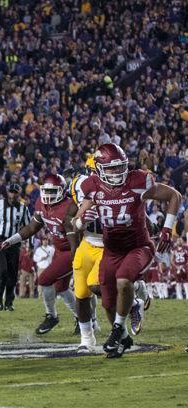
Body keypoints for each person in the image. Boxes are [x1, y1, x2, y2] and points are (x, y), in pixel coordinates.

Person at [72, 143, 181, 358]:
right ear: (100, 168)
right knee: (107, 302)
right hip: (111, 250)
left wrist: (168, 228)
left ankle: (115, 331)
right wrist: (81, 222)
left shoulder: (138, 181)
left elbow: (174, 196)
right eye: (111, 168)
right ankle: (123, 338)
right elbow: (76, 220)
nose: (117, 172)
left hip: (138, 246)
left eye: (120, 166)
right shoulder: (92, 186)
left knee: (123, 280)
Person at [2, 174, 79, 335]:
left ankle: (52, 316)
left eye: (53, 192)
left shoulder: (69, 206)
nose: (48, 196)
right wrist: (12, 240)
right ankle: (83, 318)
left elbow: (75, 237)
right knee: (62, 287)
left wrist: (77, 258)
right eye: (46, 191)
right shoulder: (40, 203)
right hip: (59, 250)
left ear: (62, 191)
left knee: (44, 280)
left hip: (74, 249)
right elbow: (32, 228)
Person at [69, 156, 103, 352]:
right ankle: (87, 339)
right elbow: (73, 221)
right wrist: (81, 221)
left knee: (96, 285)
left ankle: (131, 302)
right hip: (88, 242)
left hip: (109, 245)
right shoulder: (82, 188)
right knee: (81, 294)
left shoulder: (118, 189)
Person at [0, 183, 31, 310]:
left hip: (15, 242)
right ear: (7, 192)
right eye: (11, 191)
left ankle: (9, 302)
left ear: (19, 193)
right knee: (3, 270)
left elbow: (29, 227)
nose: (13, 194)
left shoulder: (23, 209)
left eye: (15, 192)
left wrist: (30, 245)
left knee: (12, 274)